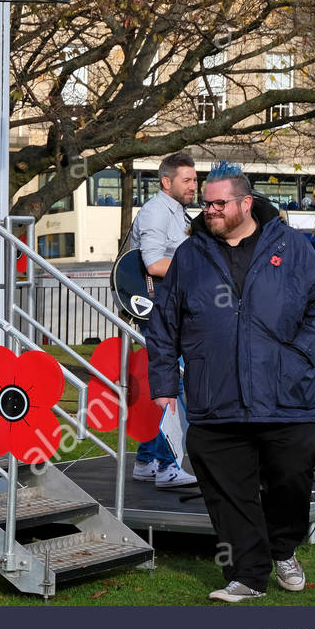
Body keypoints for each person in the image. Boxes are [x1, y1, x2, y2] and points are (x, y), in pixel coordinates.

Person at [148, 162, 315, 602]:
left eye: (220, 203)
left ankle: (284, 547)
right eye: (206, 203)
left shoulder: (291, 246)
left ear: (246, 202)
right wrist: (163, 382)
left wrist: (300, 355)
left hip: (285, 395)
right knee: (229, 494)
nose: (210, 210)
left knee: (291, 479)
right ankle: (248, 577)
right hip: (214, 397)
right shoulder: (189, 254)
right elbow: (164, 322)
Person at [124, 151, 199, 489]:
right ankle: (169, 466)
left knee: (166, 382)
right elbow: (154, 264)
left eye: (195, 179)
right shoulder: (156, 212)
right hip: (159, 311)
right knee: (173, 383)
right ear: (167, 182)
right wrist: (202, 272)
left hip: (167, 309)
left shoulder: (175, 211)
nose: (194, 186)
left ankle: (146, 459)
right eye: (187, 180)